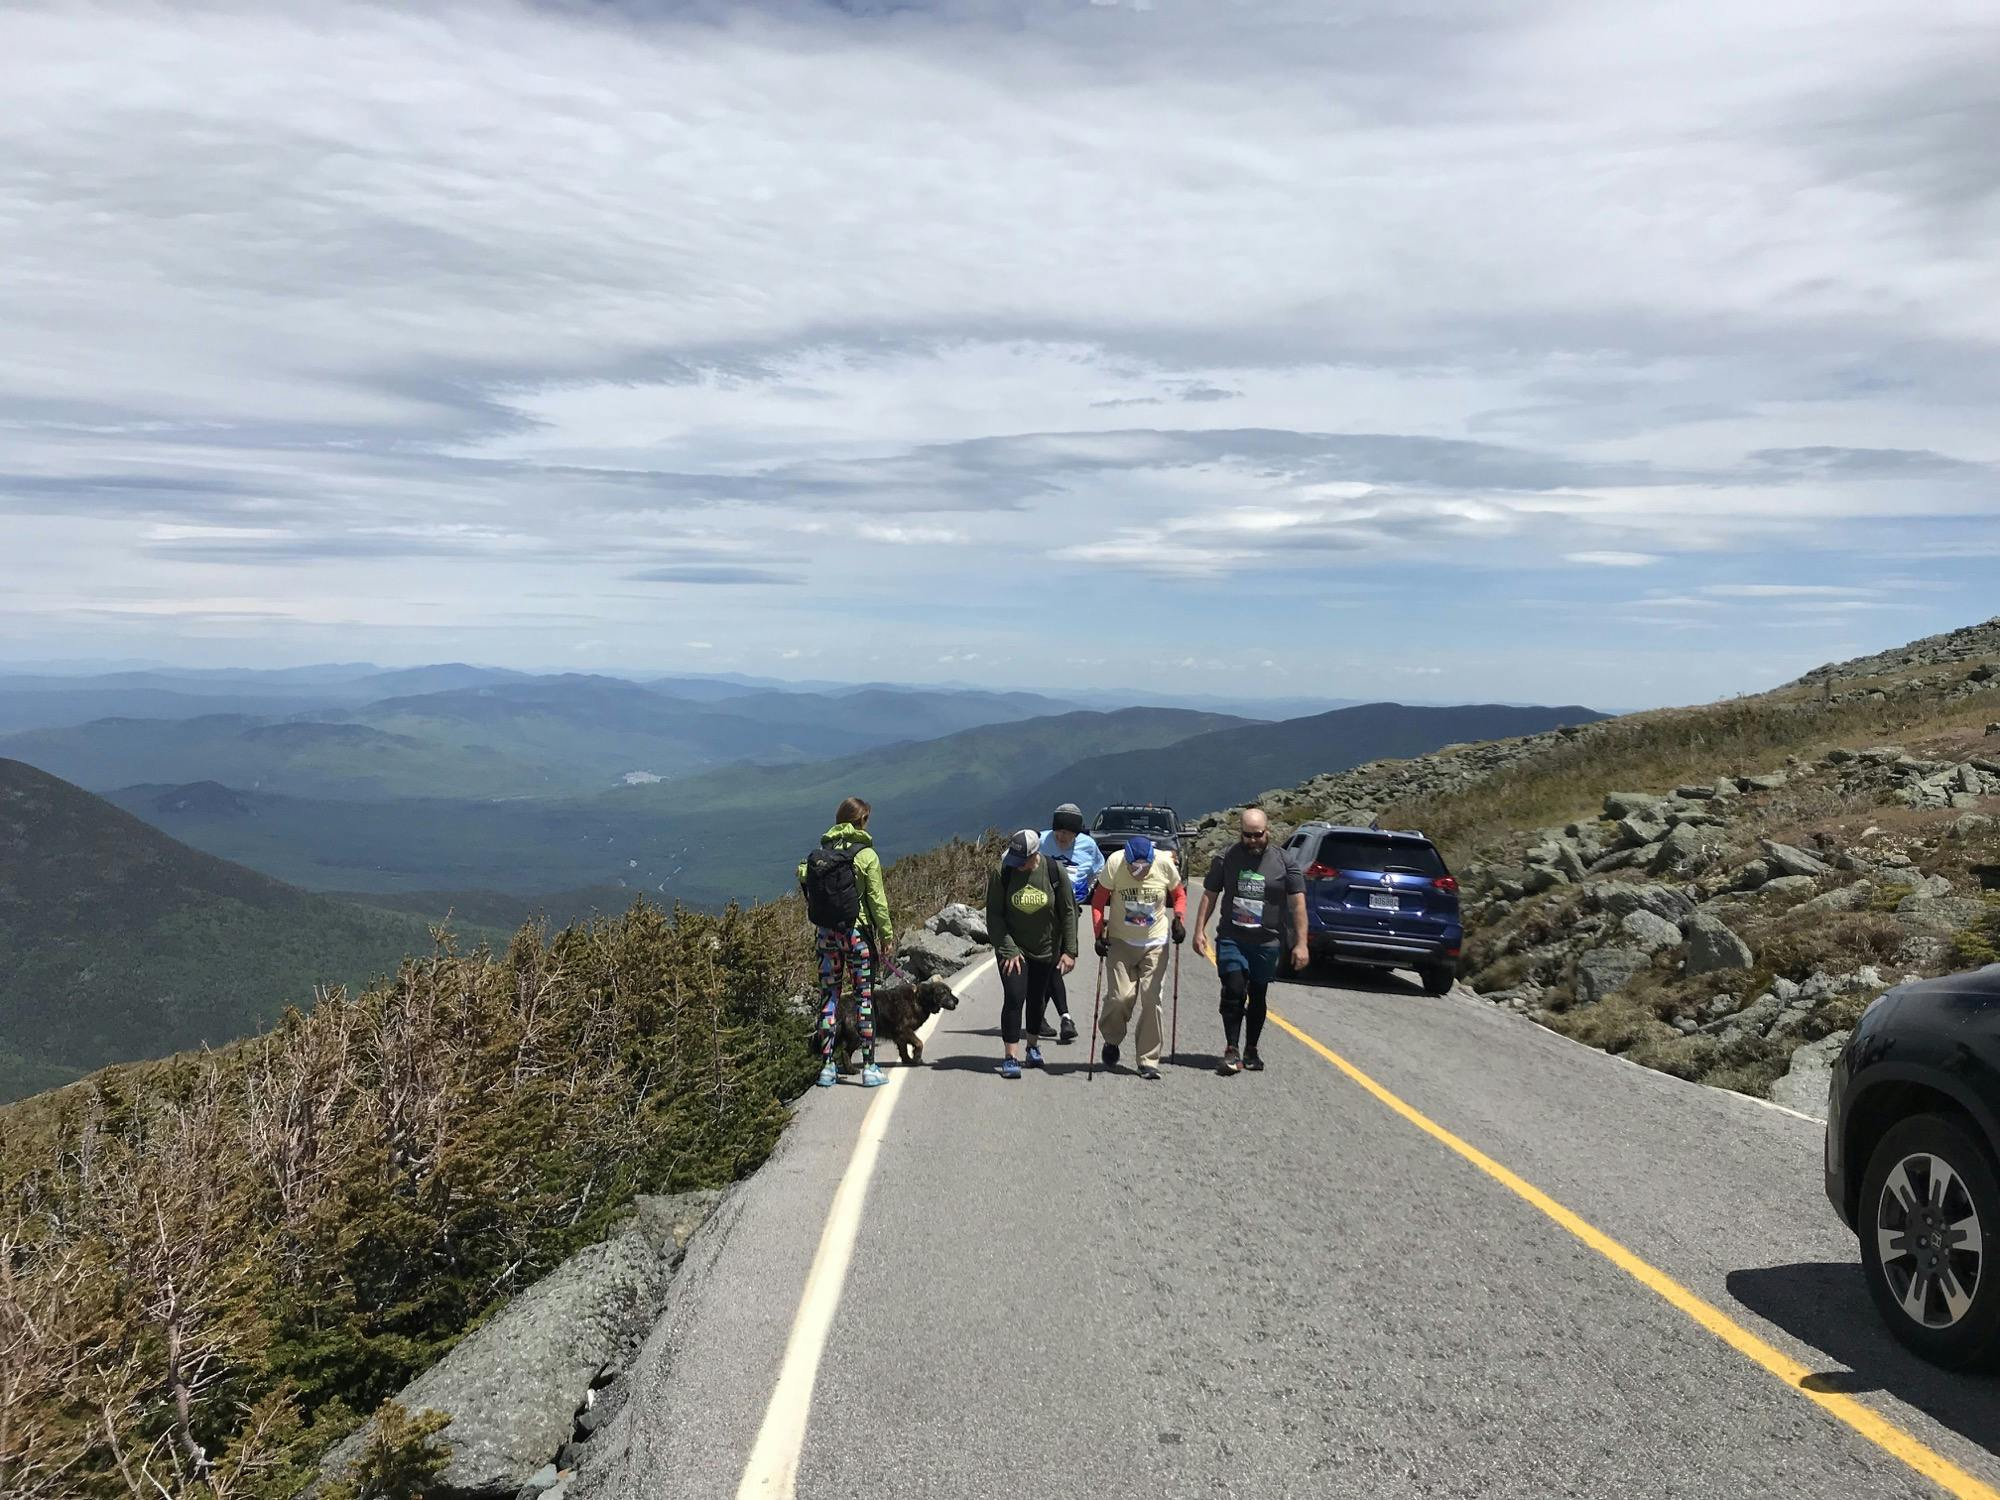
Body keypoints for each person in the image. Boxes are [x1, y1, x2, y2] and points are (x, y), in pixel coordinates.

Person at [1192, 807, 1306, 1075]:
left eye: (1258, 835)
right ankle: (1231, 1049)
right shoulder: (1226, 858)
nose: (1253, 840)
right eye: (1247, 835)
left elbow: (1298, 904)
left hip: (1267, 942)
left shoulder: (1285, 862)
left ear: (1268, 831)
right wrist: (1199, 930)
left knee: (1257, 994)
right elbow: (1210, 894)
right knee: (1233, 989)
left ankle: (1251, 1049)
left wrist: (1301, 943)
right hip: (1233, 937)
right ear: (1239, 833)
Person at [797, 796, 896, 1089]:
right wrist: (886, 935)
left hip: (826, 936)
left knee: (829, 999)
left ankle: (827, 1068)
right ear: (862, 821)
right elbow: (877, 901)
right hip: (857, 936)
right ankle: (870, 1068)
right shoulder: (866, 856)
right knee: (864, 1000)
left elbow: (804, 879)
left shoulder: (820, 854)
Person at [1089, 834, 1184, 1081]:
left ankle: (1148, 1060)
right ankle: (1111, 1040)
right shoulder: (1115, 863)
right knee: (1120, 997)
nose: (1139, 871)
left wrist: (1179, 920)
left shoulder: (1164, 863)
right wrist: (1099, 933)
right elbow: (1099, 900)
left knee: (1152, 1000)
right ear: (1127, 860)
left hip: (1155, 942)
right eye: (1134, 867)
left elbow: (1179, 895)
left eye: (1145, 867)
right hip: (1122, 941)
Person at [985, 828, 1079, 1079]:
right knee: (1015, 996)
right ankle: (1010, 1056)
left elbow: (1068, 911)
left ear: (1035, 854)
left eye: (1022, 861)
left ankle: (1033, 1047)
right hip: (1012, 947)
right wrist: (1008, 948)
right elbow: (994, 915)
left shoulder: (1053, 871)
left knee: (1037, 998)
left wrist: (1069, 950)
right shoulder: (1003, 872)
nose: (1018, 866)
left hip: (1046, 947)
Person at [1034, 802, 1104, 1043]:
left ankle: (1039, 1018)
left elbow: (1099, 870)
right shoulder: (1040, 840)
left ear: (1077, 833)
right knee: (1051, 963)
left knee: (1050, 966)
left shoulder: (1088, 846)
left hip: (1071, 911)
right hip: (1041, 912)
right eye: (1058, 832)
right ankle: (1064, 1018)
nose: (1062, 837)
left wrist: (1088, 890)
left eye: (1068, 833)